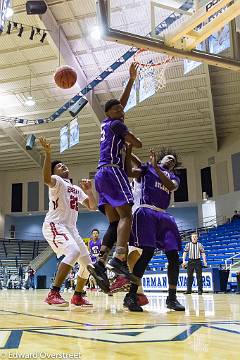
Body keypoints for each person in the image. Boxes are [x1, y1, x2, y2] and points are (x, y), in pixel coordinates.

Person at [89, 63, 142, 289]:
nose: (122, 110)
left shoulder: (106, 122)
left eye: (122, 109)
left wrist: (130, 81)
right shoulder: (117, 125)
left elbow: (120, 103)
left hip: (100, 174)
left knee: (113, 222)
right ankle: (119, 258)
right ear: (111, 112)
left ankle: (100, 262)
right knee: (127, 215)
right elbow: (137, 143)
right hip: (112, 171)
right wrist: (132, 141)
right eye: (118, 110)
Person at [39, 137, 107, 309]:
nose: (63, 166)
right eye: (59, 166)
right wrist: (48, 154)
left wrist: (89, 191)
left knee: (87, 264)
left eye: (64, 165)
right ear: (56, 172)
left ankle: (77, 296)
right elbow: (47, 178)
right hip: (55, 224)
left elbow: (92, 206)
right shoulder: (57, 181)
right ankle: (53, 293)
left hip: (70, 228)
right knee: (74, 251)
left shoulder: (75, 189)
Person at [122, 145, 185, 312]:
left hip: (164, 215)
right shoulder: (147, 169)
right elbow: (129, 172)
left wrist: (156, 167)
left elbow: (171, 187)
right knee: (147, 253)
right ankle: (131, 296)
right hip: (146, 210)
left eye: (173, 160)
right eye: (168, 157)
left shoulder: (173, 177)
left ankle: (172, 298)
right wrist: (127, 152)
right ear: (161, 158)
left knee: (173, 256)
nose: (171, 160)